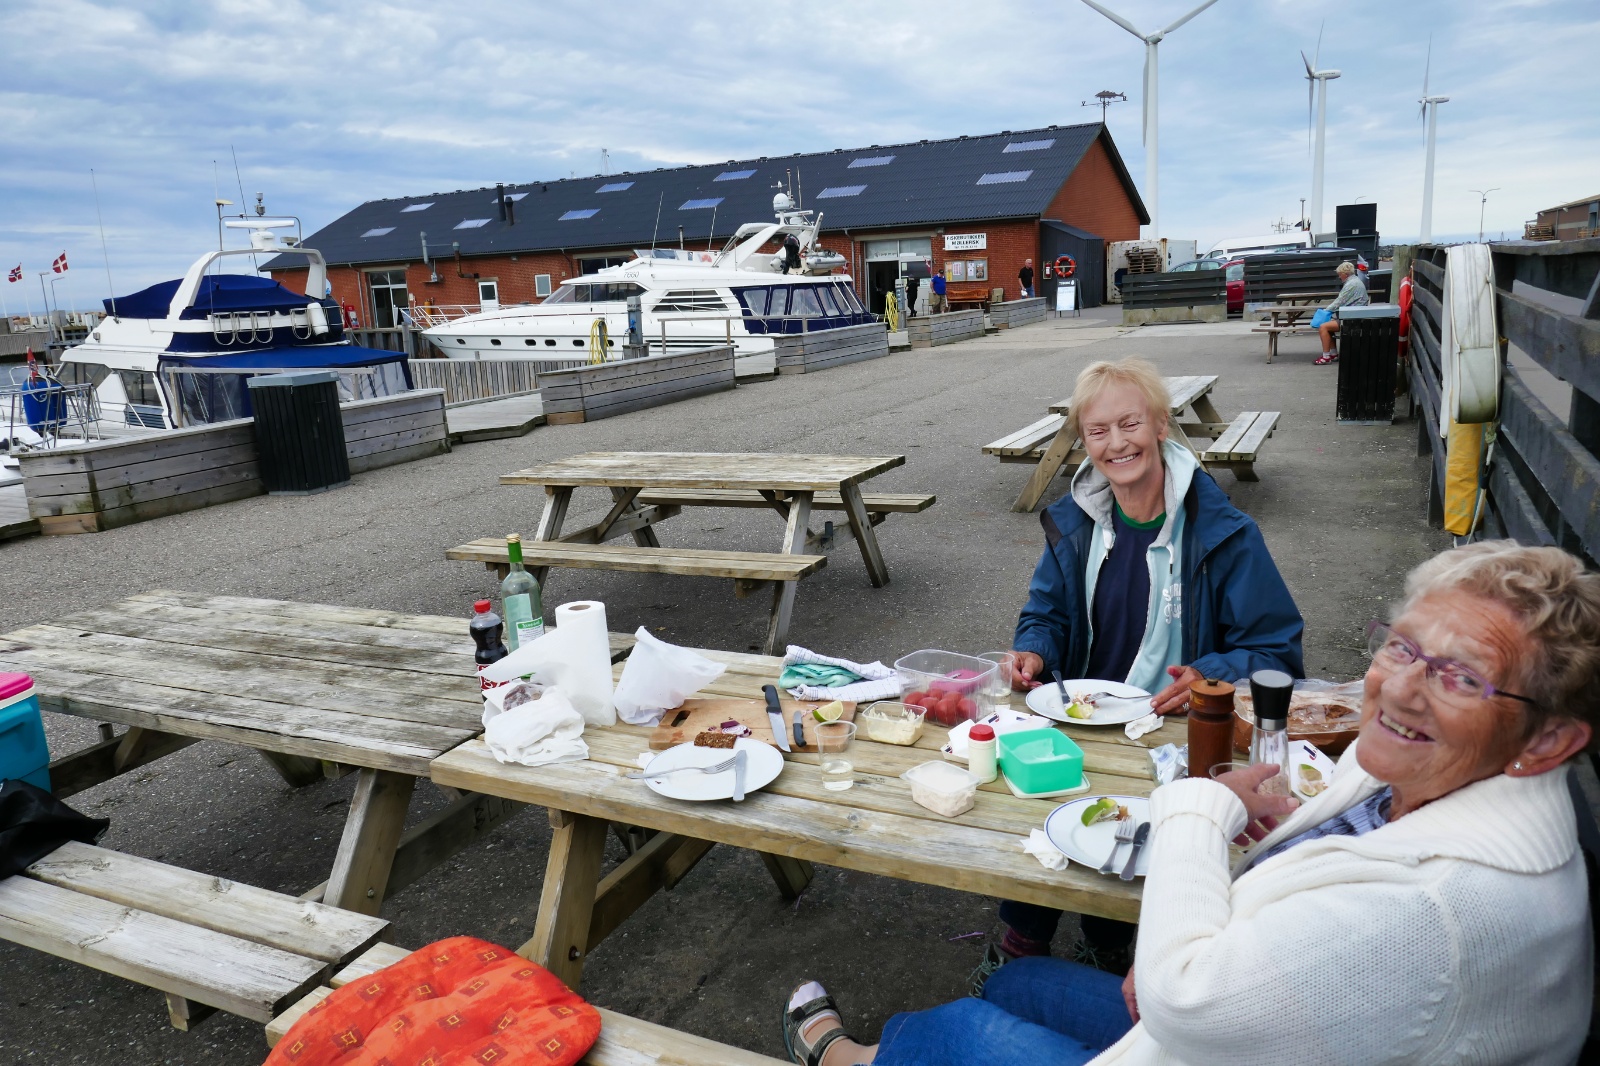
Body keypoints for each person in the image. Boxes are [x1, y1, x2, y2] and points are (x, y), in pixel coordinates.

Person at [781, 539, 1599, 1066]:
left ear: (1549, 742)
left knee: (964, 1031)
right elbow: (1048, 611)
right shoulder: (1428, 778)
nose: (1402, 689)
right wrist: (1033, 645)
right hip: (1267, 1018)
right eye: (1402, 647)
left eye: (1460, 676)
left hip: (1221, 1024)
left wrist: (1201, 809)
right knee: (1013, 988)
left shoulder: (1438, 914)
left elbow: (1188, 994)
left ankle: (849, 1060)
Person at [997, 357, 1305, 975]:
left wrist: (1210, 672)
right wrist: (1034, 647)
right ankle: (1014, 955)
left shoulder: (1226, 534)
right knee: (1035, 818)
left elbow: (1277, 653)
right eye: (1099, 431)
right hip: (1081, 722)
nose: (1117, 443)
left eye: (1130, 424)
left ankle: (1107, 955)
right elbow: (1047, 612)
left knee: (1124, 844)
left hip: (1175, 731)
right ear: (1084, 442)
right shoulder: (1076, 523)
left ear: (1162, 426)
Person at [1314, 260, 1370, 365]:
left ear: (1345, 274)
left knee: (1323, 327)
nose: (1339, 277)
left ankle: (1326, 357)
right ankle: (1333, 354)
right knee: (1328, 326)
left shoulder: (1351, 285)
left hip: (1352, 319)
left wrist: (1325, 311)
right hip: (1356, 316)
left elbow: (1339, 302)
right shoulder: (1355, 281)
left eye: (1340, 274)